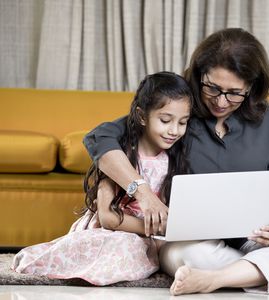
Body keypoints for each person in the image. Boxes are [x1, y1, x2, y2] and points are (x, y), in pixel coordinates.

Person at [82, 28, 269, 294]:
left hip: (257, 242)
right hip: (196, 243)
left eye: (234, 93)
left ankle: (218, 279)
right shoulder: (180, 109)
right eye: (213, 88)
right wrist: (142, 193)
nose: (222, 101)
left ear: (251, 87)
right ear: (200, 75)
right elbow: (100, 137)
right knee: (182, 255)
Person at [11, 71, 193, 285]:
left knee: (150, 252)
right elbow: (108, 218)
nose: (174, 130)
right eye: (165, 120)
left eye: (183, 123)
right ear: (142, 116)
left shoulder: (173, 160)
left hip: (149, 235)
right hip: (112, 229)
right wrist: (158, 228)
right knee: (116, 248)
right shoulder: (119, 156)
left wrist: (165, 230)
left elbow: (163, 213)